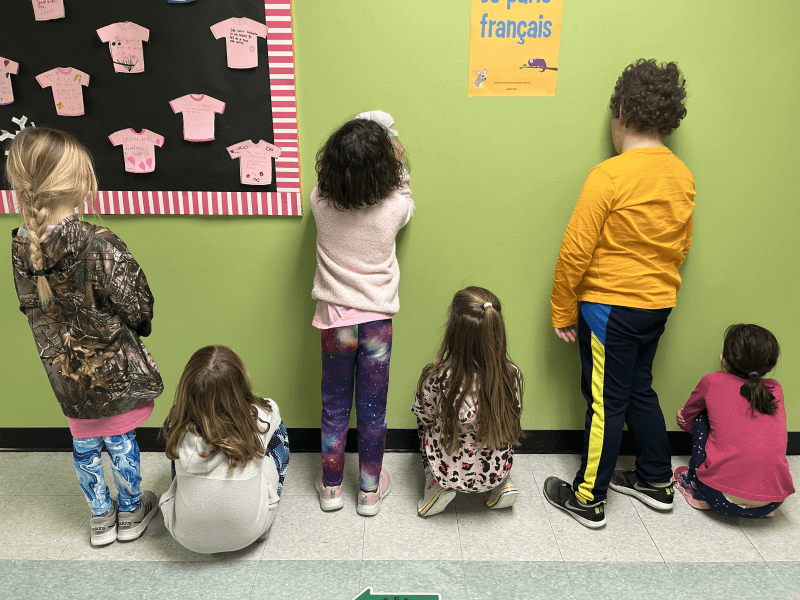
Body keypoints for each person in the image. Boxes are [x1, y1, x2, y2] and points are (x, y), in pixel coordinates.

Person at [543, 59, 695, 528]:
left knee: (604, 404)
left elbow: (575, 251)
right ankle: (656, 479)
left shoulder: (609, 175)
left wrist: (562, 310)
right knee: (638, 389)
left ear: (621, 113)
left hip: (610, 308)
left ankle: (588, 497)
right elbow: (681, 245)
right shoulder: (682, 175)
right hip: (658, 304)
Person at [8, 127, 162, 545]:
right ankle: (131, 512)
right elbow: (138, 304)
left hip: (64, 374)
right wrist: (137, 326)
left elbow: (34, 310)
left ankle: (100, 518)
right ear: (77, 181)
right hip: (113, 370)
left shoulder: (21, 245)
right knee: (120, 439)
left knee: (84, 443)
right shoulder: (99, 242)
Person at [311, 111, 413, 516]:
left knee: (334, 406)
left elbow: (325, 180)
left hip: (335, 323)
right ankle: (369, 491)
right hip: (376, 325)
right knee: (373, 410)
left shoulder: (320, 203)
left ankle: (331, 487)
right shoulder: (395, 208)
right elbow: (404, 193)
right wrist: (396, 157)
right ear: (385, 167)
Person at [160, 345, 289, 553]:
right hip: (249, 532)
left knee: (179, 453)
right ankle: (263, 518)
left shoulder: (177, 421)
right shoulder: (263, 413)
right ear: (241, 382)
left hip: (187, 537)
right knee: (276, 436)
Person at [412, 287, 524, 516]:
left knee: (423, 423)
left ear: (454, 331)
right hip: (494, 469)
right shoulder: (511, 374)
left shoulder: (438, 376)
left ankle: (435, 486)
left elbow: (425, 414)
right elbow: (516, 415)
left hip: (448, 469)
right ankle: (501, 485)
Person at [673, 324, 794, 517]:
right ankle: (758, 505)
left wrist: (684, 421)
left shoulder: (712, 381)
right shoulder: (775, 388)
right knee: (767, 427)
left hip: (719, 498)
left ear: (725, 359)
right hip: (772, 502)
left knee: (702, 417)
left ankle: (695, 485)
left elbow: (687, 419)